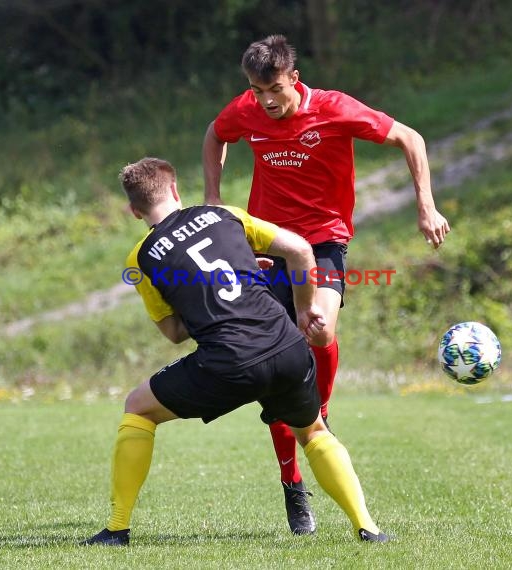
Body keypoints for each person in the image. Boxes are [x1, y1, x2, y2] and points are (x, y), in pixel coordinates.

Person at [202, 34, 450, 535]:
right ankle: (293, 484)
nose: (265, 100)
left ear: (294, 78)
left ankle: (320, 413)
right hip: (267, 247)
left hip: (322, 243)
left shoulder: (335, 109)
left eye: (273, 88)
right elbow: (215, 133)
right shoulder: (246, 110)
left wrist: (426, 204)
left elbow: (411, 138)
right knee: (272, 364)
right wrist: (213, 200)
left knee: (317, 331)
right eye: (256, 89)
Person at [82, 157, 389, 546]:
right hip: (287, 346)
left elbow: (175, 333)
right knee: (312, 431)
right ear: (176, 190)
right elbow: (298, 249)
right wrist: (304, 308)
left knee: (137, 408)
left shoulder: (141, 258)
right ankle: (368, 528)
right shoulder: (223, 214)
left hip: (229, 362)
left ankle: (117, 528)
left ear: (133, 210)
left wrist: (196, 298)